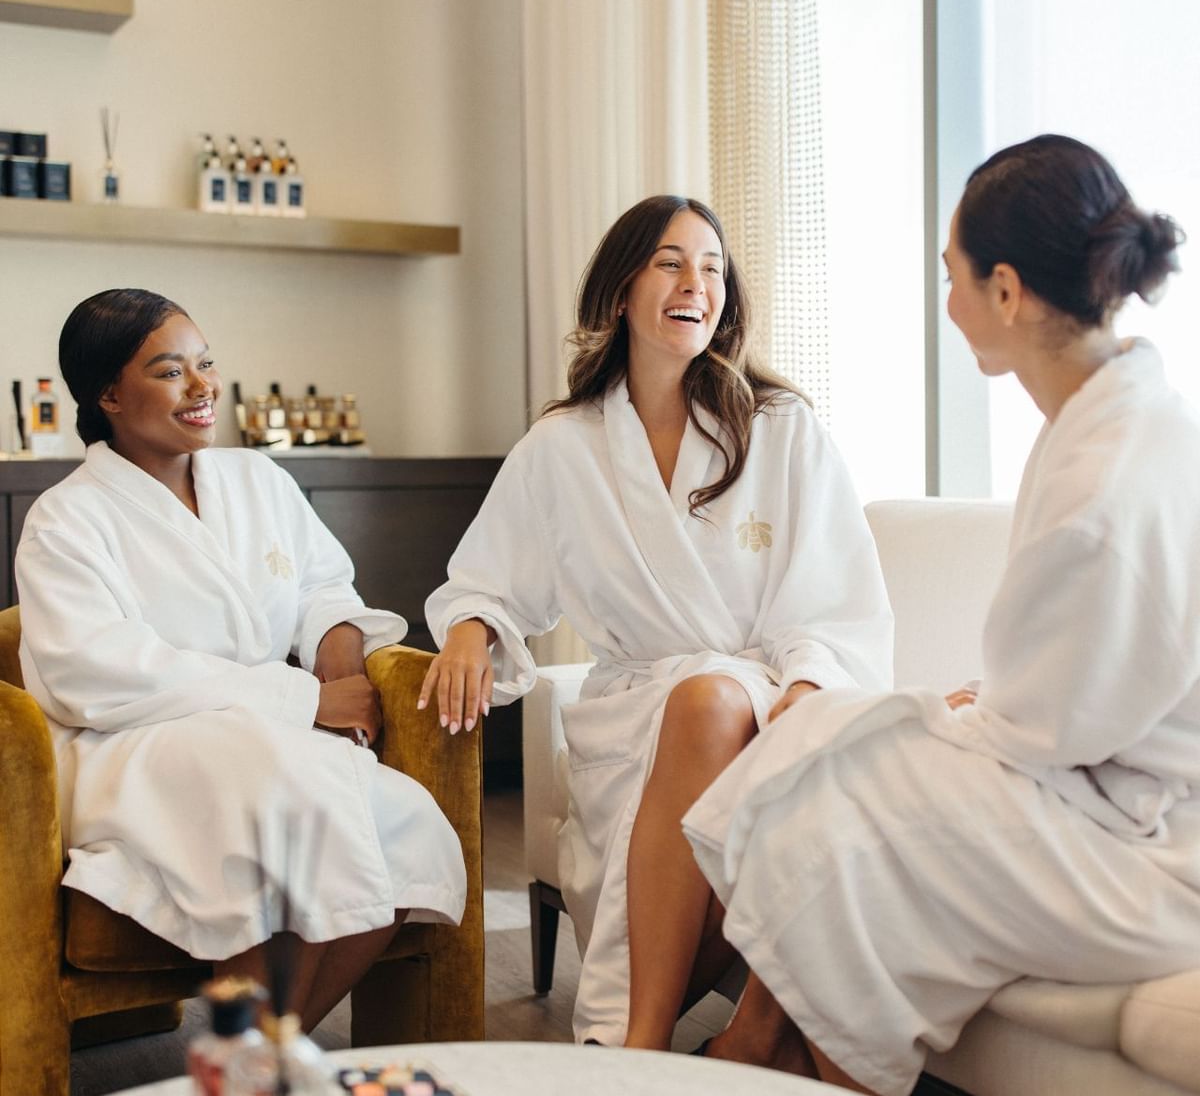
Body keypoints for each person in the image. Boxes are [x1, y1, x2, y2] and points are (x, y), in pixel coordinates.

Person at [683, 134, 1200, 1096]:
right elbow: (1070, 690)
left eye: (950, 275)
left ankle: (792, 1079)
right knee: (833, 751)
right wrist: (969, 709)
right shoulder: (1116, 418)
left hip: (1150, 854)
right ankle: (769, 1057)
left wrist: (963, 714)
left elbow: (1046, 730)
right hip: (1104, 787)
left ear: (1005, 291)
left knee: (840, 789)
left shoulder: (1109, 481)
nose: (948, 303)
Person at [423, 196, 893, 1047]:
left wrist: (807, 687)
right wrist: (469, 628)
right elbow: (489, 579)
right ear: (620, 292)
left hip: (763, 700)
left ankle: (638, 1041)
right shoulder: (563, 446)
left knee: (709, 698)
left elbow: (836, 601)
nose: (694, 285)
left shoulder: (780, 429)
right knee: (696, 701)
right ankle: (678, 1040)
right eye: (670, 264)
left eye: (712, 269)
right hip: (633, 711)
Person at [16, 289, 466, 1031]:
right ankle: (257, 1064)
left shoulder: (258, 480)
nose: (203, 388)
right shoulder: (66, 518)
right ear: (108, 396)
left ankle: (259, 1056)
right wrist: (302, 701)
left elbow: (324, 587)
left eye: (206, 363)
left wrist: (344, 671)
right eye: (171, 372)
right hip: (131, 744)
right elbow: (90, 668)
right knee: (268, 802)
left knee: (406, 822)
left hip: (271, 741)